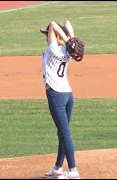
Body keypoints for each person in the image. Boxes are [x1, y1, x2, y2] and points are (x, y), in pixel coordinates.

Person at [40, 20, 84, 179]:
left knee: (65, 134)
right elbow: (67, 22)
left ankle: (73, 170)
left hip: (56, 96)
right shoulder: (68, 52)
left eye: (48, 34)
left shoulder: (54, 50)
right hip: (67, 95)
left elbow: (53, 23)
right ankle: (58, 167)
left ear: (57, 37)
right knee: (62, 133)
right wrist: (71, 39)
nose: (46, 36)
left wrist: (67, 40)